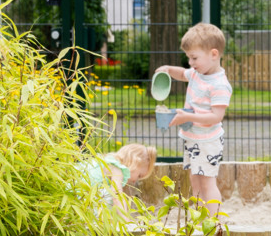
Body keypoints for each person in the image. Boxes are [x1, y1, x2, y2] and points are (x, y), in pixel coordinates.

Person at [154, 22, 232, 215]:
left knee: (207, 182)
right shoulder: (198, 73)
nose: (190, 63)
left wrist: (187, 116)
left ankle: (215, 223)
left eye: (194, 57)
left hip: (208, 142)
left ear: (214, 54)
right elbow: (182, 73)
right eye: (189, 57)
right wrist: (167, 70)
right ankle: (198, 217)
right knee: (194, 180)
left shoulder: (219, 84)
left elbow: (216, 116)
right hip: (192, 139)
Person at [80, 143, 157, 211]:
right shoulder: (116, 169)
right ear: (135, 162)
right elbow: (117, 197)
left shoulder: (108, 161)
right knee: (110, 196)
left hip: (78, 194)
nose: (135, 181)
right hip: (79, 196)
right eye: (139, 176)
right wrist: (126, 221)